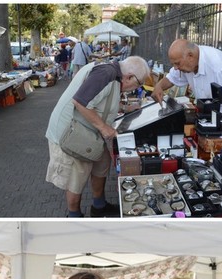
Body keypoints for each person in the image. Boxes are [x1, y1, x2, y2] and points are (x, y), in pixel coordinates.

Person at [45, 56, 150, 218]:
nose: (135, 88)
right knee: (76, 177)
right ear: (129, 76)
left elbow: (100, 99)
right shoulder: (106, 73)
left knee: (102, 163)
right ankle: (74, 216)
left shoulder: (113, 73)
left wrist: (124, 107)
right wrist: (104, 127)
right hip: (70, 134)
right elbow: (80, 101)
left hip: (87, 131)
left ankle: (99, 206)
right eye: (138, 83)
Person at [151, 39, 222, 140]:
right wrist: (159, 86)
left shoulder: (220, 67)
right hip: (208, 112)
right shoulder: (187, 62)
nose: (176, 68)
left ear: (190, 56)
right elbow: (172, 77)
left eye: (177, 64)